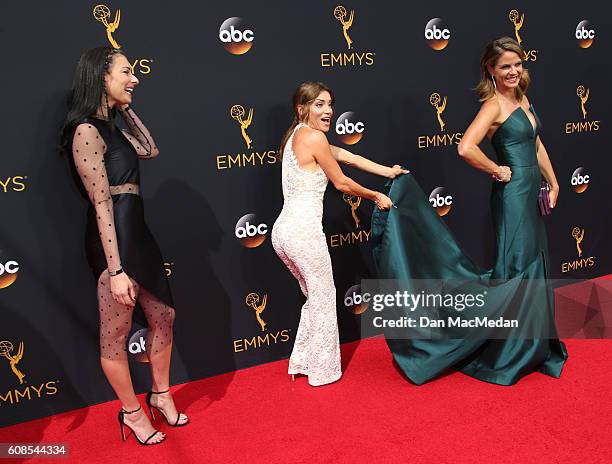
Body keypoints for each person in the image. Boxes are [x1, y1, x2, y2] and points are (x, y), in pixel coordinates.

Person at [371, 37, 567, 385]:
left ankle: (533, 346)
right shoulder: (493, 106)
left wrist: (553, 182)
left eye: (517, 64)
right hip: (511, 194)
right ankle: (509, 353)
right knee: (517, 265)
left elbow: (535, 142)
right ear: (490, 69)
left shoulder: (522, 97)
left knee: (534, 260)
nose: (513, 71)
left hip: (529, 191)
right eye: (505, 66)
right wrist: (496, 169)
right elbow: (465, 148)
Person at [60, 46, 188, 445]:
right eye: (126, 72)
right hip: (112, 239)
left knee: (163, 315)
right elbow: (101, 203)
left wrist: (124, 106)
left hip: (139, 232)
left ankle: (160, 394)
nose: (135, 79)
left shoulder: (112, 125)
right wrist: (115, 271)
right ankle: (131, 413)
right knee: (114, 334)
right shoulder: (85, 130)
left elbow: (150, 149)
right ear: (101, 77)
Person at [271, 81, 407, 386]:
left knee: (314, 297)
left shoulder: (299, 136)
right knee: (323, 296)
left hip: (283, 233)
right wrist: (376, 196)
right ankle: (322, 372)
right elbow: (343, 183)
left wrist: (389, 171)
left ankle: (304, 361)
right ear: (301, 108)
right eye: (319, 104)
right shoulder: (314, 137)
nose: (328, 110)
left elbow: (349, 157)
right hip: (303, 234)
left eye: (330, 104)